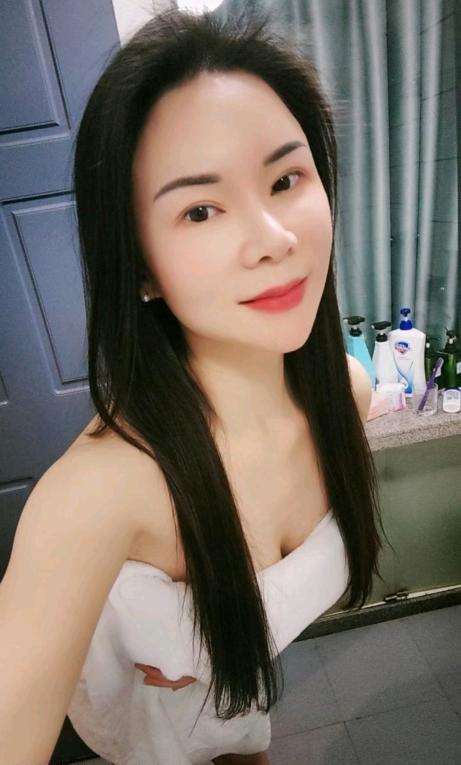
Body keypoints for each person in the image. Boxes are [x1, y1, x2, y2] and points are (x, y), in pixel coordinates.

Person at [0, 6, 382, 765]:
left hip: (238, 687)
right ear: (139, 265)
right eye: (201, 209)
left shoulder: (348, 393)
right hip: (145, 717)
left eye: (285, 178)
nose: (274, 239)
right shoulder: (101, 491)